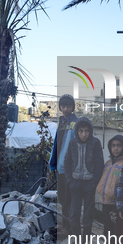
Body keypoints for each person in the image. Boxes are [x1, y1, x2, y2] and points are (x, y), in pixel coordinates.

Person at [64, 117, 104, 244]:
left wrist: (93, 183)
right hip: (75, 184)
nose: (84, 134)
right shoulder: (72, 143)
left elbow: (100, 164)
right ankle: (76, 240)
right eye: (81, 131)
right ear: (77, 132)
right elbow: (67, 162)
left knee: (87, 216)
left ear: (90, 131)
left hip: (89, 185)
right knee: (74, 215)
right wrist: (70, 180)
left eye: (87, 131)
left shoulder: (95, 143)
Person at [95, 135, 123, 244]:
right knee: (107, 230)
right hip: (105, 201)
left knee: (118, 231)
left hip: (117, 203)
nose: (115, 148)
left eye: (118, 145)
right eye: (113, 145)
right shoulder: (108, 163)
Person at [49, 94, 78, 235]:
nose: (65, 108)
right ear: (60, 107)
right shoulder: (61, 121)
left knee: (69, 199)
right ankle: (65, 225)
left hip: (69, 169)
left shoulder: (75, 122)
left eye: (68, 106)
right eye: (63, 106)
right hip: (60, 167)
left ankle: (70, 228)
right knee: (63, 198)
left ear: (73, 107)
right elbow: (57, 143)